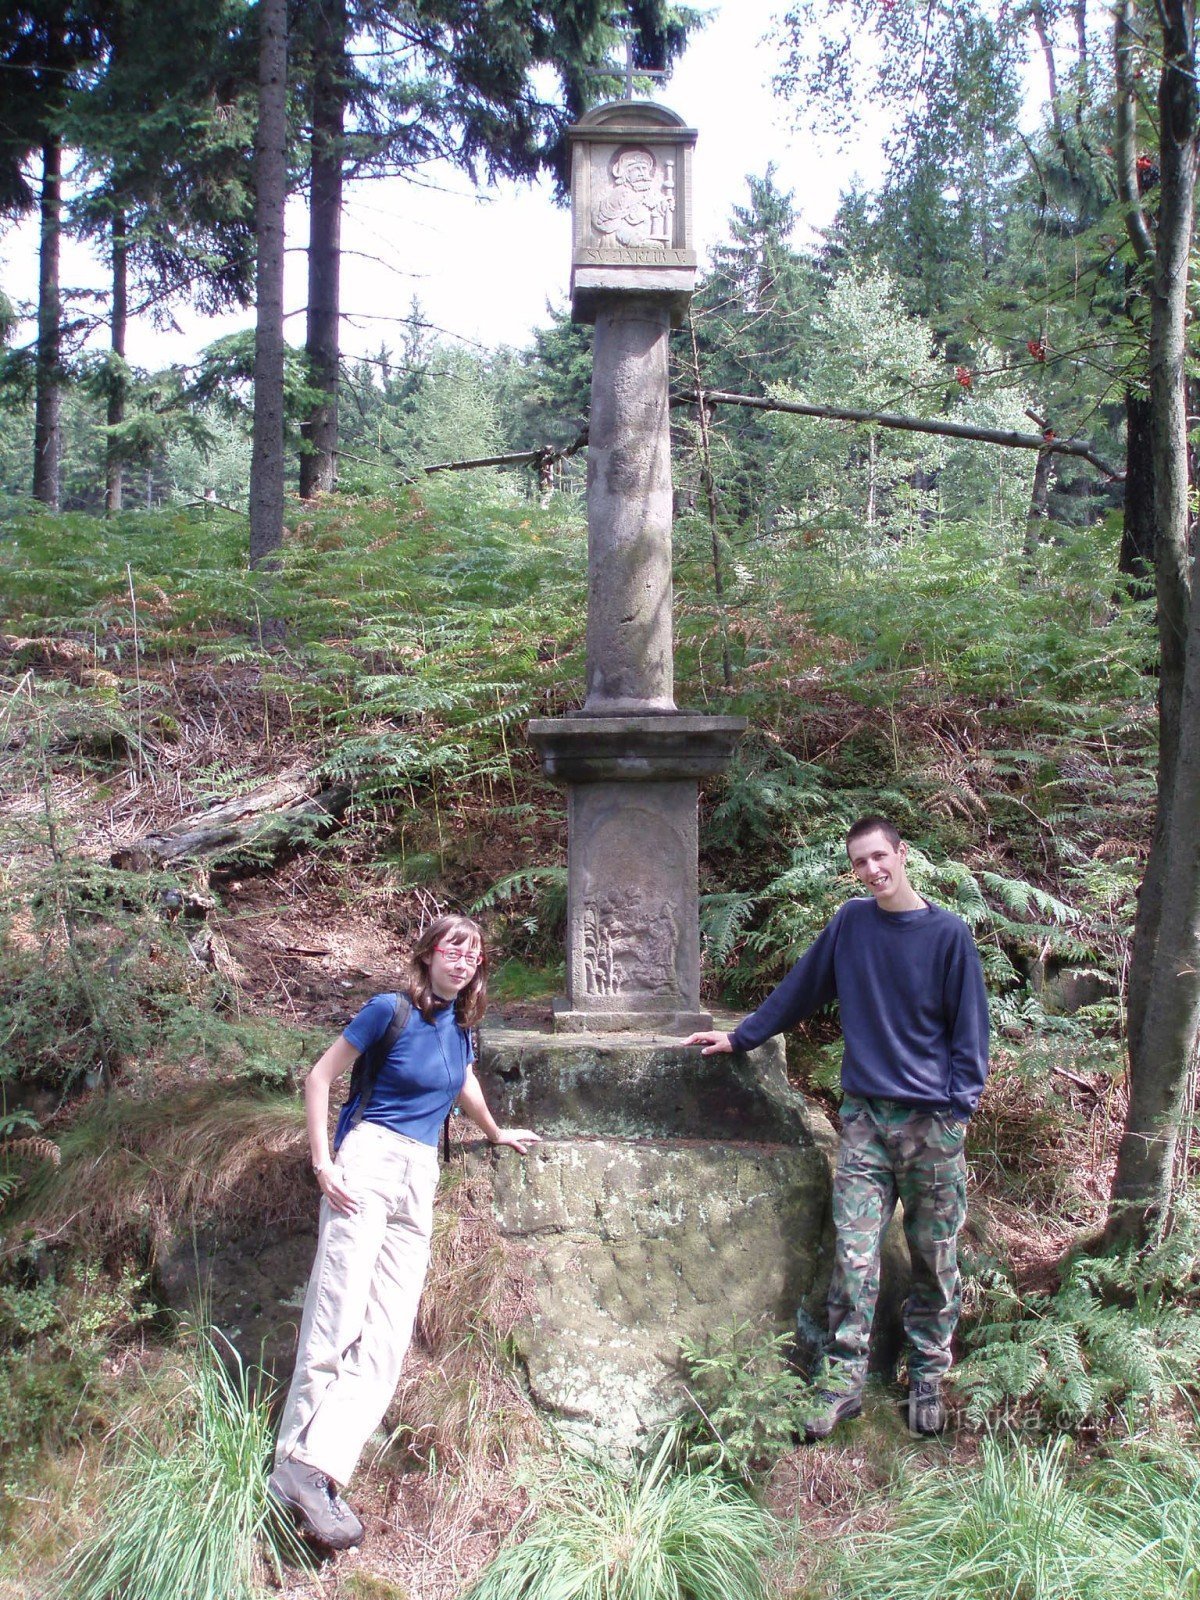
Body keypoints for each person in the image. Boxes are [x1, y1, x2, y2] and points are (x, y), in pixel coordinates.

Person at [684, 815, 988, 1440]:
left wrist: (958, 1110)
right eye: (859, 863)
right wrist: (741, 1036)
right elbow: (801, 990)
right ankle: (842, 1381)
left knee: (935, 1256)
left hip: (932, 1125)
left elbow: (970, 1032)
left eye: (880, 858)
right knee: (854, 1257)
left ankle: (928, 1374)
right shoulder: (851, 924)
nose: (872, 871)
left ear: (903, 855)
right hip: (865, 1124)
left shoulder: (948, 935)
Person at [268, 914, 539, 1548]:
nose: (464, 961)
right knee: (335, 1320)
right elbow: (320, 1077)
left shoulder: (462, 1025)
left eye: (473, 954)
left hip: (421, 1174)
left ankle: (316, 1469)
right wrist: (322, 1161)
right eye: (453, 950)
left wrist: (495, 1131)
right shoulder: (388, 1009)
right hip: (368, 1161)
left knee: (387, 1337)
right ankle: (290, 1472)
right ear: (427, 955)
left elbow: (463, 1083)